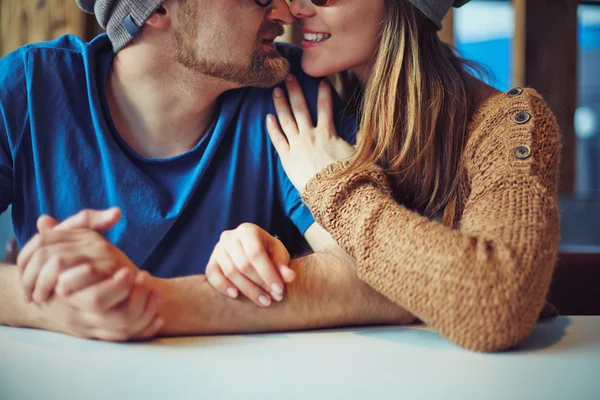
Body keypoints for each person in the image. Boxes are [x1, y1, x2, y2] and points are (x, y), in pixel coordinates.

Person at [0, 0, 415, 341]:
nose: (287, 13)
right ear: (157, 9)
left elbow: (386, 280)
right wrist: (43, 303)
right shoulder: (29, 87)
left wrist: (146, 303)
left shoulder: (290, 96)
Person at [207, 0, 561, 352]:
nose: (295, 8)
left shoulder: (506, 126)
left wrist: (337, 187)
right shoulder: (313, 102)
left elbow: (498, 307)